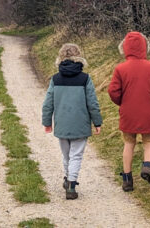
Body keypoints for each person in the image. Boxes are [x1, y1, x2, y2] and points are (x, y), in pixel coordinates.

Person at [108, 31, 150, 192]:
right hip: (148, 111)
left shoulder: (120, 69)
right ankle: (147, 166)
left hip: (127, 112)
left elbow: (113, 91)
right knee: (149, 142)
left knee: (129, 143)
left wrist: (122, 102)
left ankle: (127, 179)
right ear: (144, 47)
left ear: (125, 48)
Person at [42, 43, 103, 200]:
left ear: (60, 58)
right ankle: (71, 183)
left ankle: (68, 178)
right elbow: (92, 103)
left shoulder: (55, 79)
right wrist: (97, 122)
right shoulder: (85, 78)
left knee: (66, 155)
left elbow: (48, 103)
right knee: (76, 155)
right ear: (79, 57)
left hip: (62, 124)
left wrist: (47, 122)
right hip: (80, 124)